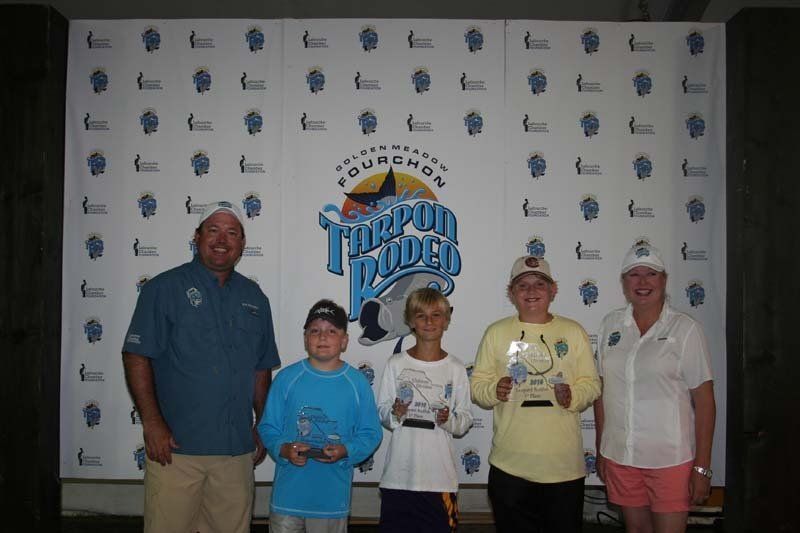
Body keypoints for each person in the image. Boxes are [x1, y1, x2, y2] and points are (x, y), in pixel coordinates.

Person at [122, 201, 280, 533]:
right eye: (213, 229)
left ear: (242, 244)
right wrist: (152, 423)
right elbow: (137, 355)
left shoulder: (255, 298)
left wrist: (263, 424)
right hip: (176, 450)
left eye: (232, 232)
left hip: (235, 452)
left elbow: (261, 369)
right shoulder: (162, 289)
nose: (222, 239)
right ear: (196, 236)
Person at [470, 256, 601, 533]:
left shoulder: (573, 332)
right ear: (511, 293)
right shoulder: (496, 333)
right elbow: (478, 387)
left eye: (540, 284)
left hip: (563, 467)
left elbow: (592, 384)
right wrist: (495, 390)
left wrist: (573, 396)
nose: (531, 291)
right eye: (522, 285)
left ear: (553, 290)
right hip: (510, 466)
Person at [593, 243, 715, 533]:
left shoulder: (685, 330)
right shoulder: (610, 325)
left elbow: (705, 401)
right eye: (634, 275)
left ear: (664, 280)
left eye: (651, 274)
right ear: (623, 282)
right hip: (620, 456)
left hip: (669, 460)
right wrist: (601, 450)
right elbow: (601, 392)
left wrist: (702, 468)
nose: (643, 282)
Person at [259, 299, 382, 533]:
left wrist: (345, 450)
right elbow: (268, 427)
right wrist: (284, 450)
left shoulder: (356, 383)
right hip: (288, 500)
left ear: (344, 341)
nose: (322, 337)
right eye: (315, 330)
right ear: (306, 338)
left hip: (331, 501)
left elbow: (371, 433)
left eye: (331, 331)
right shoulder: (287, 378)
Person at [377, 288, 473, 533]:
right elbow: (383, 411)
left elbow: (465, 420)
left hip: (440, 480)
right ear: (410, 321)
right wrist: (396, 414)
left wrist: (448, 420)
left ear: (446, 320)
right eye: (421, 315)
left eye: (436, 315)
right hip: (398, 478)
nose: (429, 322)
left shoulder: (456, 368)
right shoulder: (396, 363)